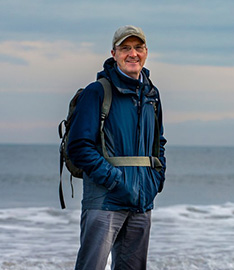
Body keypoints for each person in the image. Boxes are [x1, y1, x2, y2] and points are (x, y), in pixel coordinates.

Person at [67, 25, 166, 270]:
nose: (132, 54)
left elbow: (159, 143)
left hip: (142, 201)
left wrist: (156, 179)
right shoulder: (97, 91)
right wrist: (115, 181)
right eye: (125, 48)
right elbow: (78, 147)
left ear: (146, 52)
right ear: (114, 53)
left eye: (138, 47)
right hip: (105, 199)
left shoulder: (151, 94)